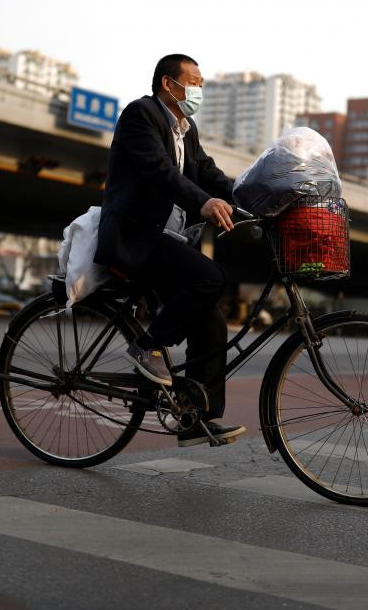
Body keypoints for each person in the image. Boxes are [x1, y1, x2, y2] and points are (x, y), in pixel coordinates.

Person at [95, 53, 245, 447]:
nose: (198, 89)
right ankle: (147, 346)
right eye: (192, 81)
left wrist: (253, 197)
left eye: (200, 83)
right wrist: (203, 203)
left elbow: (208, 172)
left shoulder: (185, 126)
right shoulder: (141, 115)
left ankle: (197, 417)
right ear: (168, 83)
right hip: (136, 236)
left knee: (210, 320)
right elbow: (159, 171)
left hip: (166, 238)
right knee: (210, 277)